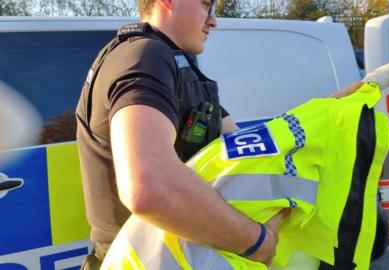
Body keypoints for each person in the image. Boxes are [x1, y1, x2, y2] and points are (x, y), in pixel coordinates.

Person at [75, 0, 366, 269]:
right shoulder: (145, 56)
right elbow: (149, 187)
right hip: (147, 259)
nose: (213, 21)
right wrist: (256, 242)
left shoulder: (177, 65)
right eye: (205, 4)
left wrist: (328, 111)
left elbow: (255, 146)